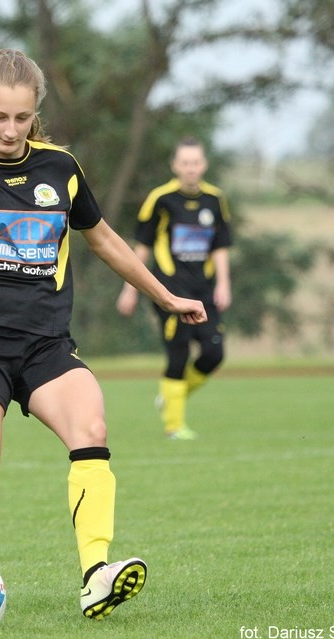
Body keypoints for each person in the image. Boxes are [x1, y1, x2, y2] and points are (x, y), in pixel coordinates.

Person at [0, 49, 207, 621]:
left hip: (47, 344)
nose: (10, 130)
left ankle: (96, 575)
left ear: (36, 114)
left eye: (22, 117)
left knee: (92, 429)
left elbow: (103, 239)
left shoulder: (61, 168)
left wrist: (167, 296)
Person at [116, 137, 232, 440]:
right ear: (175, 166)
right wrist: (130, 289)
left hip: (205, 292)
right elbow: (142, 247)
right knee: (178, 353)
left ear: (204, 165)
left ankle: (169, 398)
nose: (190, 168)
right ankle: (174, 426)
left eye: (196, 162)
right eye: (185, 163)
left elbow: (220, 246)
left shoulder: (215, 199)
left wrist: (224, 283)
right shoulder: (161, 199)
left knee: (214, 353)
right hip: (170, 292)